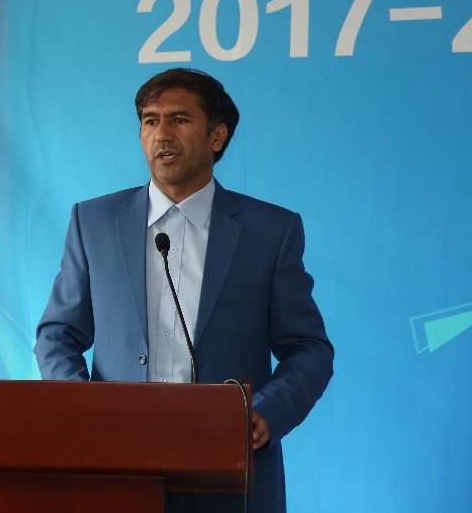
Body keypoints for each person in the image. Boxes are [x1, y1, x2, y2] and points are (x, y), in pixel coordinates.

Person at [34, 68, 333, 513]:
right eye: (150, 121)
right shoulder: (94, 222)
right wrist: (85, 410)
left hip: (229, 469)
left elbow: (308, 348)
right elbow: (57, 334)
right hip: (116, 465)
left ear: (217, 135)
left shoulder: (270, 231)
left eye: (179, 119)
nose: (162, 134)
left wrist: (267, 412)